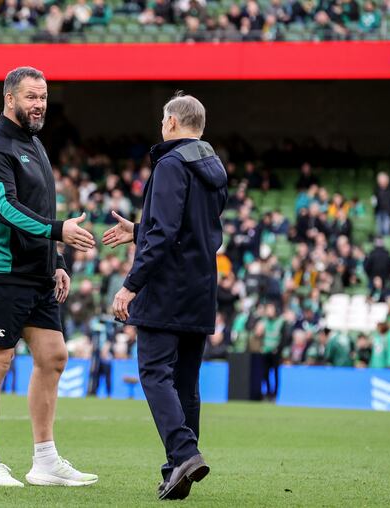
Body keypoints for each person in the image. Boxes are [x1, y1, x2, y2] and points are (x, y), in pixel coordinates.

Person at [0, 67, 98, 488]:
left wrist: (54, 259)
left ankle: (45, 461)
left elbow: (37, 207)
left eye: (42, 97)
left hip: (36, 273)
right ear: (9, 99)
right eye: (31, 97)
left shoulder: (34, 144)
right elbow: (6, 208)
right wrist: (59, 231)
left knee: (54, 356)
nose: (39, 104)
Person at [105, 93, 227, 500]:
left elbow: (166, 232)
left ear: (173, 123)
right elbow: (190, 228)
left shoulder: (171, 164)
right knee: (186, 382)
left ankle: (184, 453)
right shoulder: (213, 166)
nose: (161, 125)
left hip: (167, 287)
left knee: (154, 372)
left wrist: (130, 284)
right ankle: (177, 470)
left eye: (163, 119)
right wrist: (137, 229)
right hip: (200, 287)